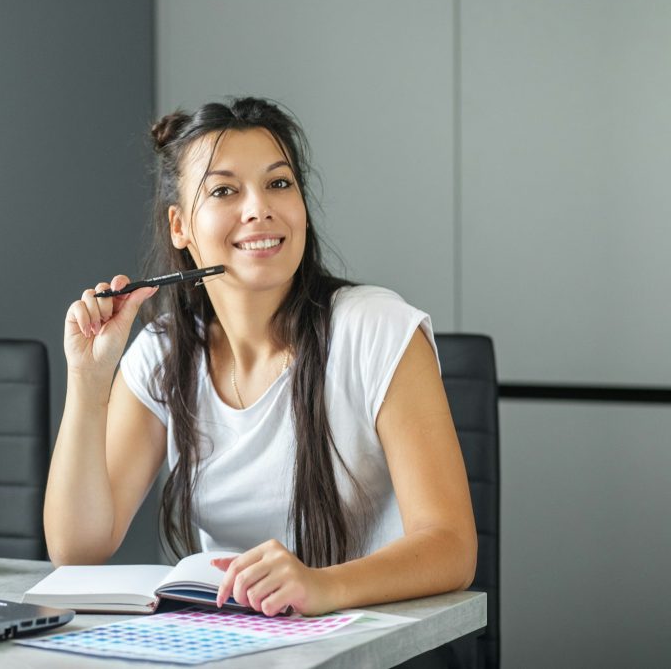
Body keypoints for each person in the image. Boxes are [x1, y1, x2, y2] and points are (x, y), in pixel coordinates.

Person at [44, 97, 476, 617]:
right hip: (230, 642)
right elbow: (77, 549)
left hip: (368, 639)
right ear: (180, 228)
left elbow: (452, 546)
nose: (259, 209)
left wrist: (321, 587)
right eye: (224, 190)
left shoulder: (376, 329)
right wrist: (90, 380)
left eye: (279, 183)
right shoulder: (162, 353)